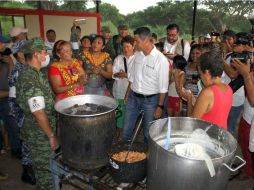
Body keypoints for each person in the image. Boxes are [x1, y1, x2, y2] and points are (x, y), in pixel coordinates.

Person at [16, 37, 58, 190]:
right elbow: (38, 112)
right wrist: (51, 135)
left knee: (48, 169)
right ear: (35, 54)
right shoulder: (29, 78)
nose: (46, 55)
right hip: (39, 133)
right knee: (46, 171)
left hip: (42, 129)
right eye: (44, 52)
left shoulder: (36, 73)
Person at [123, 27, 169, 143]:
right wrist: (127, 94)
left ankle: (148, 158)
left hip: (151, 101)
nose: (135, 44)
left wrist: (160, 107)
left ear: (146, 40)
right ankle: (124, 153)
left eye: (137, 41)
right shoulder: (137, 55)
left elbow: (163, 87)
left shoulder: (161, 60)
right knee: (126, 130)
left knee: (148, 133)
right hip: (133, 98)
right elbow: (132, 77)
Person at [176, 51, 233, 129]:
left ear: (206, 72)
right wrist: (193, 97)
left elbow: (192, 122)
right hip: (219, 133)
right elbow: (210, 109)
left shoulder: (208, 92)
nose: (200, 78)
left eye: (200, 74)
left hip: (207, 136)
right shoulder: (229, 89)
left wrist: (189, 98)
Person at [9, 40, 36, 185]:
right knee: (27, 144)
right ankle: (27, 173)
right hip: (23, 114)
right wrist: (22, 120)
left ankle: (33, 169)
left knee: (32, 144)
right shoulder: (18, 71)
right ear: (20, 54)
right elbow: (14, 99)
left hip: (31, 112)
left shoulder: (27, 67)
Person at [0, 35, 22, 158]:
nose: (4, 46)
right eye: (2, 43)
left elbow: (11, 78)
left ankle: (16, 150)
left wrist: (10, 64)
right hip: (5, 95)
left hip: (5, 100)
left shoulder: (4, 58)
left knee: (13, 125)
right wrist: (11, 93)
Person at [112, 35, 135, 139]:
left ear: (133, 46)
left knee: (129, 116)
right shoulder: (118, 58)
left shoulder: (137, 59)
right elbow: (114, 74)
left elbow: (137, 75)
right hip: (119, 91)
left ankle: (125, 136)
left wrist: (125, 74)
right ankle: (119, 135)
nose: (126, 49)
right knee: (119, 115)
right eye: (124, 47)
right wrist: (127, 74)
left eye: (128, 46)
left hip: (133, 92)